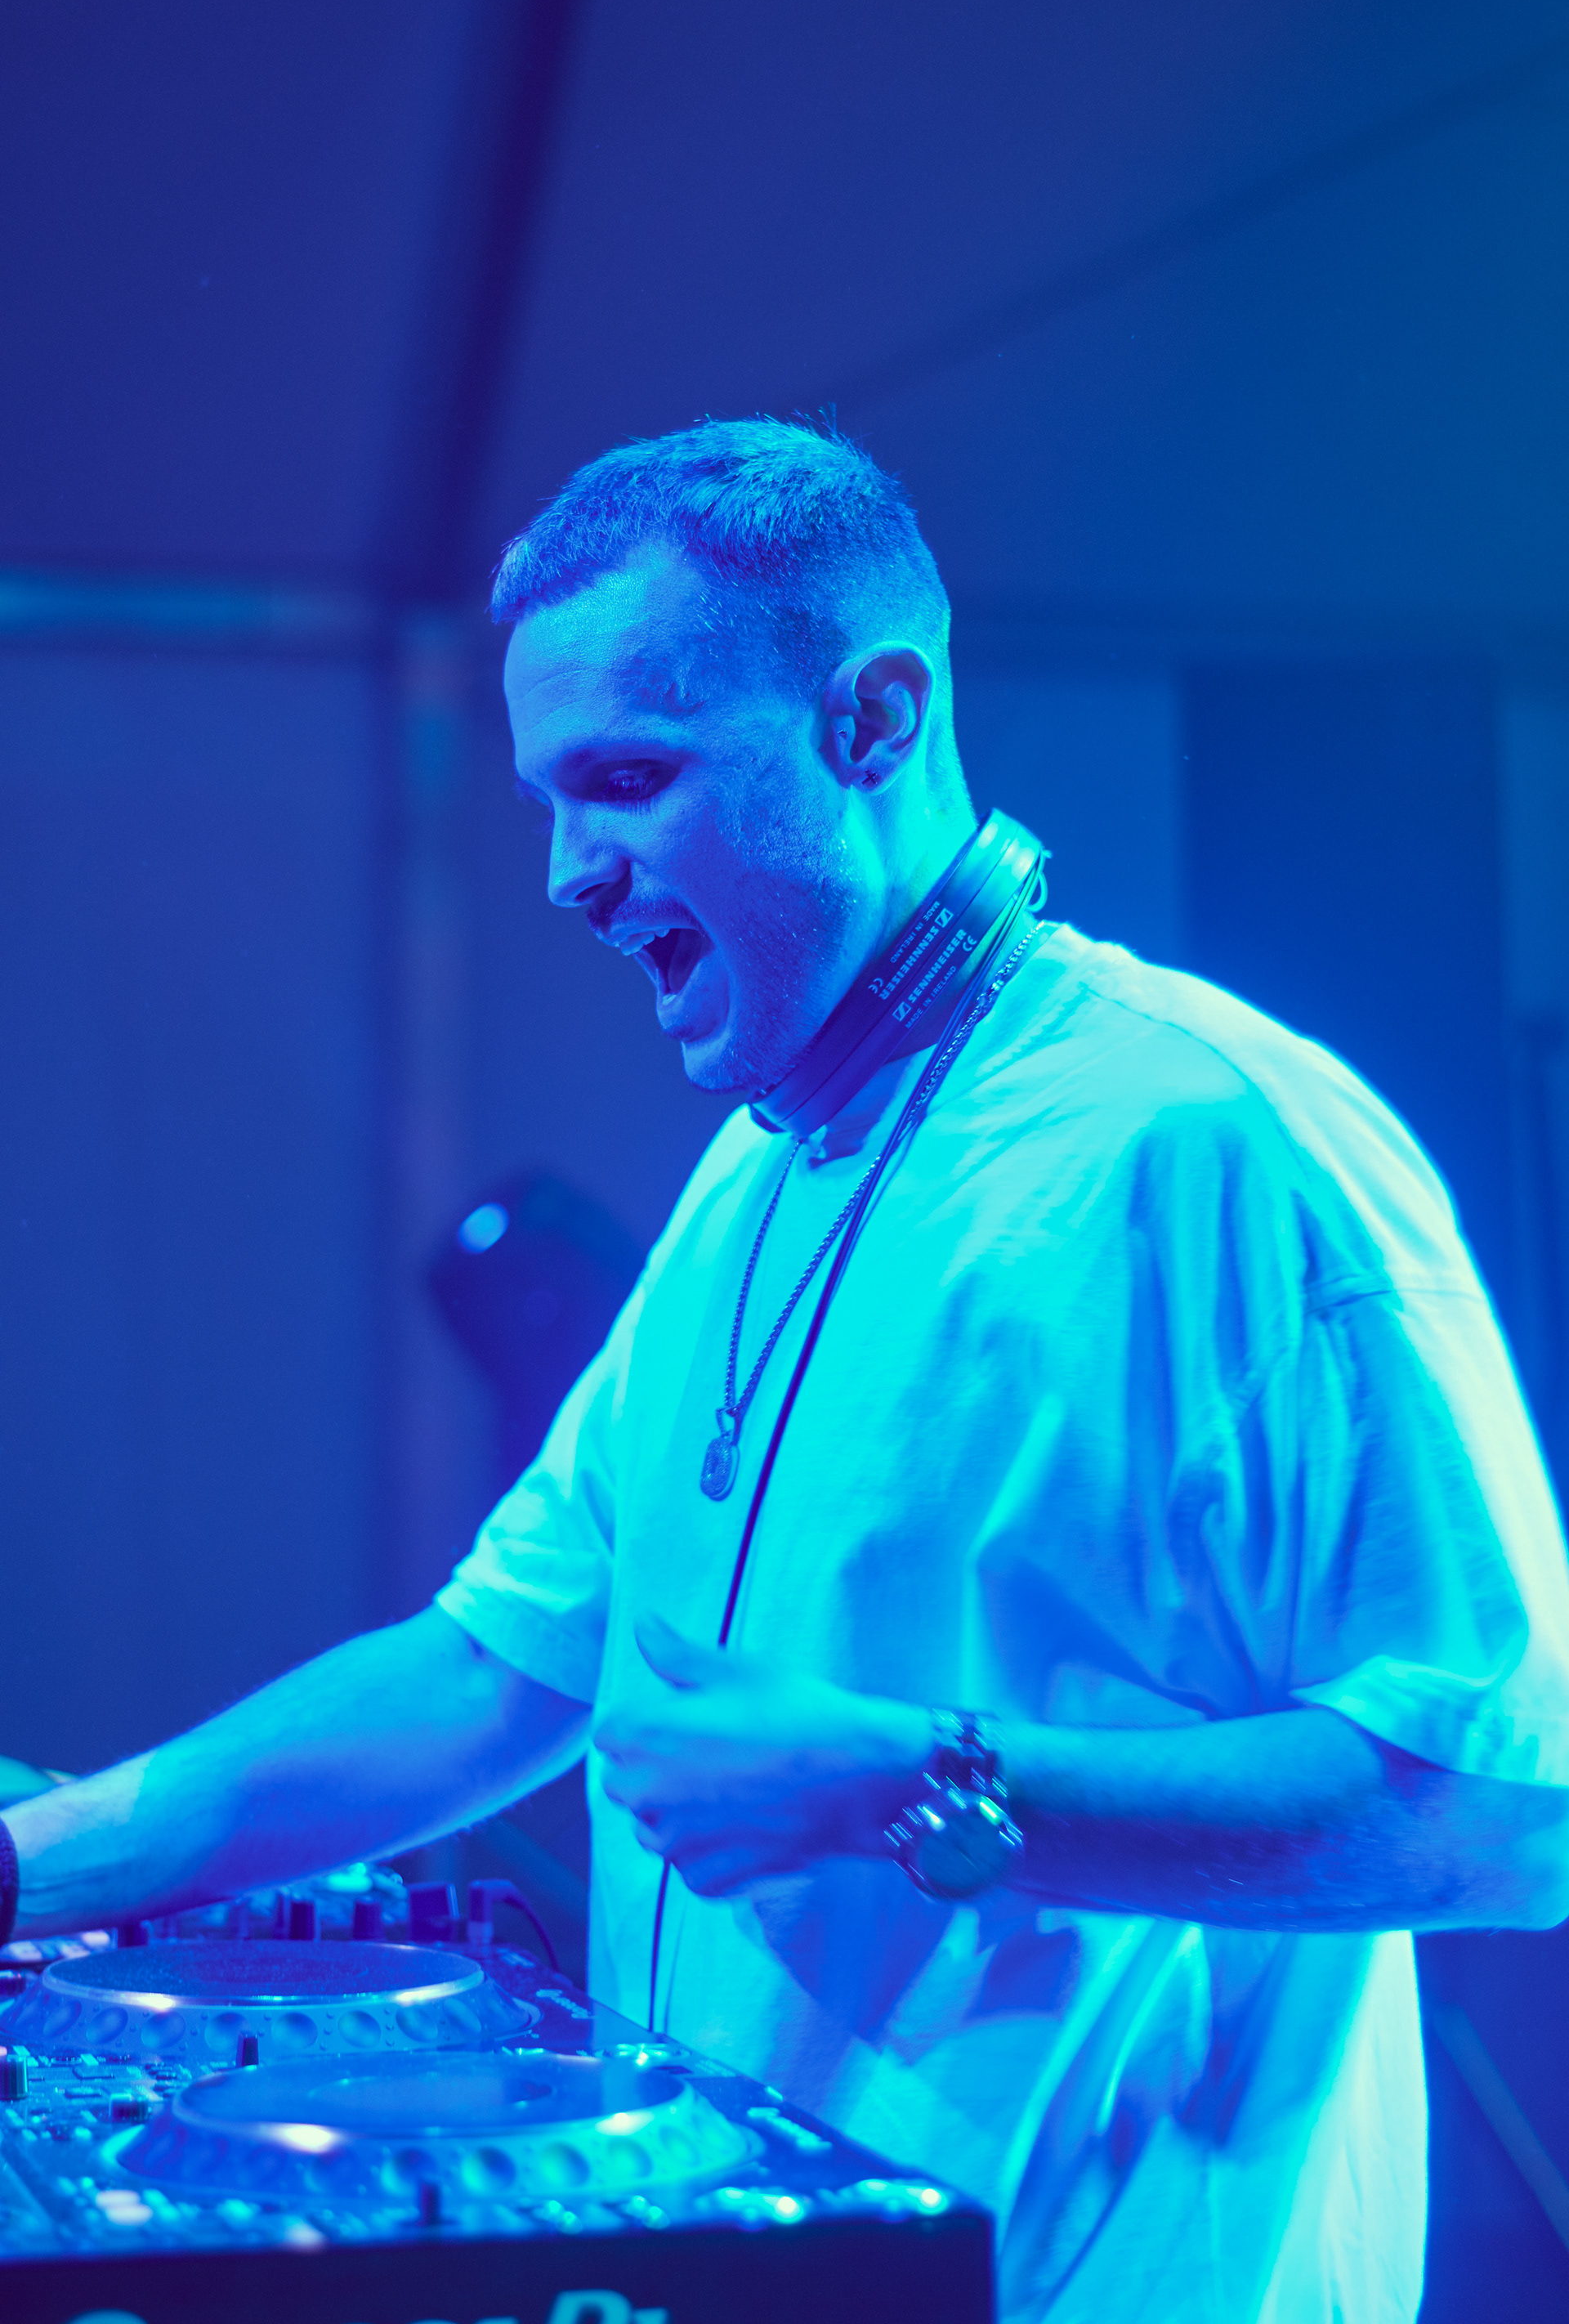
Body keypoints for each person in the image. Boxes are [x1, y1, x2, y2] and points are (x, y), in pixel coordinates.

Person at [6, 419, 1569, 2323]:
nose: (570, 874)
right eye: (549, 801)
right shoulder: (745, 1186)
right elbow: (489, 1673)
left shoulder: (1220, 1141)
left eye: (628, 780)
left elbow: (1507, 1813)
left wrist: (917, 1781)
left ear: (873, 721)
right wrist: (25, 1864)